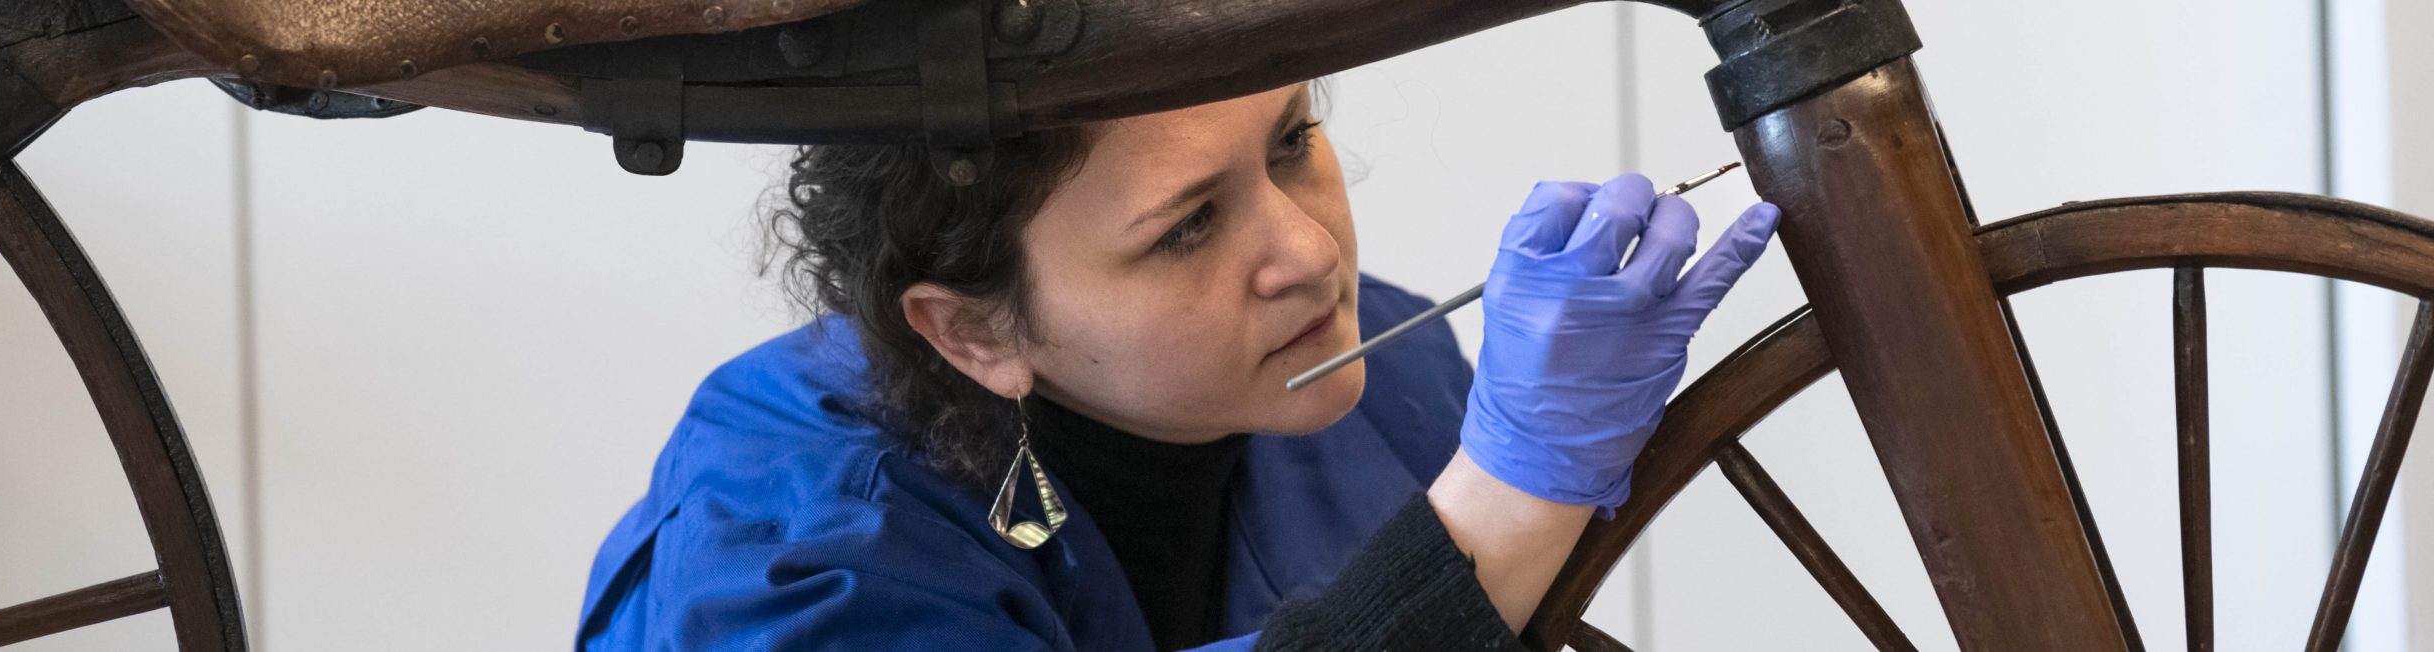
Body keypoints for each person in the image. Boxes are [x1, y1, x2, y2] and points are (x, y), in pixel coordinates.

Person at [574, 81, 1780, 650]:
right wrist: (1510, 494)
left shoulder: (1395, 377)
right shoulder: (788, 540)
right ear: (971, 331)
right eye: (1188, 225)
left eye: (1293, 142)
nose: (1311, 251)